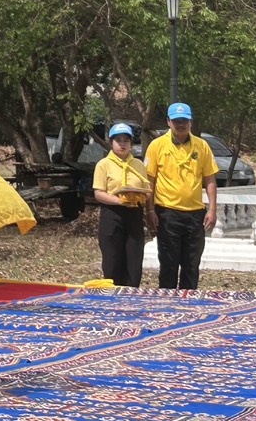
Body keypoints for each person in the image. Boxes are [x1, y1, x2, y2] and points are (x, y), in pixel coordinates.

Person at [145, 102, 218, 289]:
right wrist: (150, 210)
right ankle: (167, 303)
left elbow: (210, 179)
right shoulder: (157, 146)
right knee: (168, 264)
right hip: (167, 213)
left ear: (190, 122)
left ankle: (189, 301)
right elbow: (150, 181)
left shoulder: (202, 146)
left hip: (195, 214)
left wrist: (212, 209)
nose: (180, 125)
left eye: (184, 121)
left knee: (191, 265)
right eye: (176, 121)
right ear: (168, 122)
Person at [92, 122, 151, 286]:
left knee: (134, 261)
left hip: (134, 214)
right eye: (118, 140)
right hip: (112, 214)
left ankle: (131, 295)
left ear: (131, 143)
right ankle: (112, 295)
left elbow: (147, 190)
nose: (122, 144)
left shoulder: (138, 165)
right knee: (112, 260)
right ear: (111, 142)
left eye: (126, 140)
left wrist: (139, 198)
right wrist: (120, 201)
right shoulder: (103, 164)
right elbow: (98, 193)